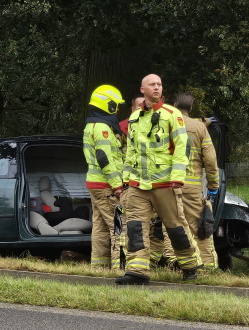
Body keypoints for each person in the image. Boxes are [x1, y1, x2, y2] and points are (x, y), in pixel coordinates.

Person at [115, 74, 201, 285]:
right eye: (152, 84)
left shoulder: (172, 114)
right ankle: (137, 271)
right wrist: (126, 180)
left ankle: (190, 266)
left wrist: (178, 177)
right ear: (142, 89)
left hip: (165, 185)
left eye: (159, 84)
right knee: (135, 227)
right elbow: (131, 153)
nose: (156, 87)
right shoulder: (134, 119)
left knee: (175, 227)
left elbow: (182, 147)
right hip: (137, 185)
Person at [149, 92, 220, 271]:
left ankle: (177, 264)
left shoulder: (162, 124)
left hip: (165, 186)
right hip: (191, 187)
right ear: (191, 108)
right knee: (199, 229)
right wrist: (213, 186)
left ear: (173, 105)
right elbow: (210, 160)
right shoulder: (198, 127)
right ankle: (207, 267)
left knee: (172, 226)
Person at [83, 85, 125, 269]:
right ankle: (120, 267)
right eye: (115, 105)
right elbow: (104, 158)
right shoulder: (102, 128)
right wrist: (117, 185)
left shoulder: (91, 125)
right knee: (119, 227)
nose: (117, 109)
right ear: (107, 105)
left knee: (100, 227)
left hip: (95, 184)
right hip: (106, 185)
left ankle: (99, 267)